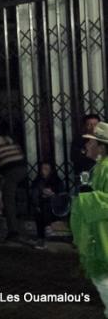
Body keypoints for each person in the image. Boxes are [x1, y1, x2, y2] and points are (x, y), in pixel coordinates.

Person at [71, 121, 108, 317]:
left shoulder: (105, 168)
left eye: (92, 143)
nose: (87, 146)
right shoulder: (99, 167)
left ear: (102, 147)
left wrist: (86, 197)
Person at [0, 124, 26, 241]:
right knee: (15, 197)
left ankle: (13, 231)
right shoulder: (11, 141)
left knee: (8, 200)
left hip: (11, 171)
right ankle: (20, 221)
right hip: (22, 168)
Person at [30, 161, 63, 249]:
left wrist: (52, 193)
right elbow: (34, 193)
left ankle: (46, 228)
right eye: (42, 169)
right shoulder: (38, 180)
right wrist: (41, 193)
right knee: (40, 210)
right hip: (41, 206)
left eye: (46, 169)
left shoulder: (56, 180)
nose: (43, 171)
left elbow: (61, 194)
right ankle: (42, 236)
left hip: (54, 207)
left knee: (45, 205)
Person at [72, 114, 100, 180]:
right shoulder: (79, 140)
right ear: (85, 126)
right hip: (85, 174)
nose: (93, 127)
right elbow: (73, 156)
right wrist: (85, 151)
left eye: (95, 124)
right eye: (89, 124)